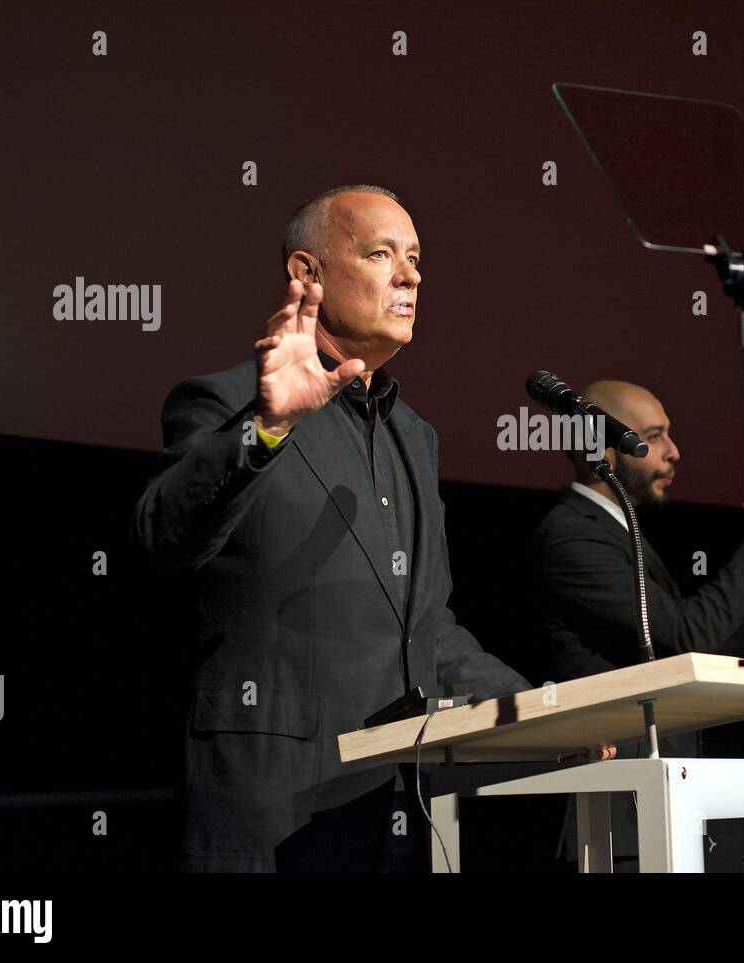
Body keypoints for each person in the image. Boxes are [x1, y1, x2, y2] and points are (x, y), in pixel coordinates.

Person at [132, 185, 529, 872]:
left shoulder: (417, 437)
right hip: (276, 808)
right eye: (381, 254)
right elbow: (164, 536)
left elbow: (429, 632)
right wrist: (267, 428)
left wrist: (538, 709)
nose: (410, 275)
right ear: (305, 274)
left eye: (415, 258)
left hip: (394, 806)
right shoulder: (229, 402)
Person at [526, 379, 744, 682]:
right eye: (654, 436)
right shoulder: (572, 536)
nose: (674, 451)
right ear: (602, 450)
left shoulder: (615, 527)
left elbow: (705, 655)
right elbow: (686, 637)